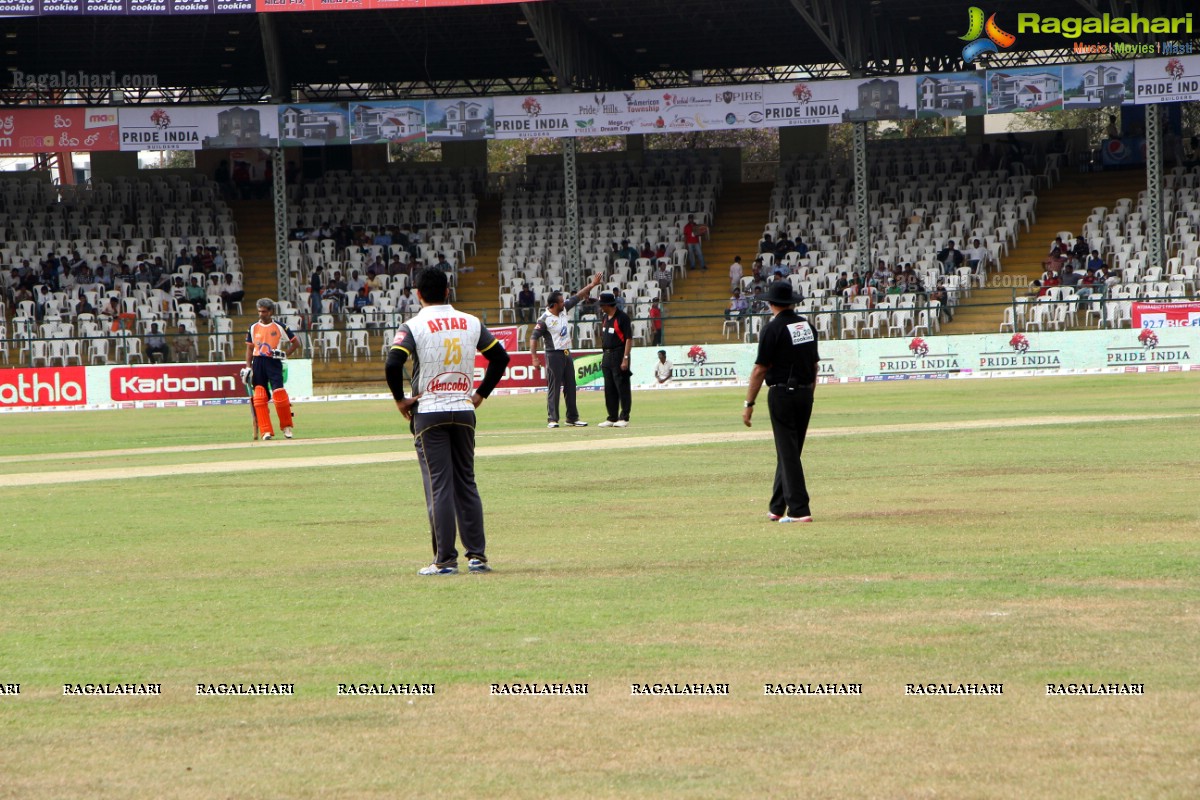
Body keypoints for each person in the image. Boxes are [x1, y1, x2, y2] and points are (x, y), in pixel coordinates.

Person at [384, 268, 510, 576]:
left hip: (429, 411)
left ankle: (445, 560)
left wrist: (400, 399)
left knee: (439, 486)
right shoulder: (472, 322)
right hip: (464, 409)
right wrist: (480, 394)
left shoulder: (413, 326)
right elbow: (500, 358)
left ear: (418, 294)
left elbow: (393, 361)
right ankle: (478, 557)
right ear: (448, 292)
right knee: (466, 482)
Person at [741, 281, 820, 524]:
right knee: (789, 452)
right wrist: (809, 393)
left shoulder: (772, 329)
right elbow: (815, 365)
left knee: (788, 452)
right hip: (805, 393)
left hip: (782, 393)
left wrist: (749, 403)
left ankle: (799, 510)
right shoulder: (807, 326)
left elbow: (759, 369)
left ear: (771, 303)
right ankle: (777, 506)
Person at [529, 272, 603, 429]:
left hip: (567, 353)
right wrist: (534, 358)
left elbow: (578, 296)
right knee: (554, 388)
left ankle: (572, 418)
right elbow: (533, 338)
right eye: (561, 302)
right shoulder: (544, 319)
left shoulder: (562, 310)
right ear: (554, 305)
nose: (564, 303)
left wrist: (592, 285)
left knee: (571, 385)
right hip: (553, 354)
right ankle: (552, 419)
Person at [243, 298, 301, 441]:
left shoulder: (280, 326)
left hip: (274, 362)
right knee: (260, 397)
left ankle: (286, 427)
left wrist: (284, 354)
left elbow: (296, 343)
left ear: (270, 312)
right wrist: (248, 367)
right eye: (259, 311)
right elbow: (250, 348)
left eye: (264, 311)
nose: (261, 314)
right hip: (258, 362)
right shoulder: (253, 327)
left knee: (279, 395)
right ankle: (265, 431)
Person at [597, 290, 633, 428]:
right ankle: (612, 417)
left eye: (602, 304)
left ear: (608, 304)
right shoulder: (605, 318)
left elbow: (628, 339)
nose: (601, 307)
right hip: (606, 355)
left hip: (619, 354)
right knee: (609, 388)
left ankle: (624, 417)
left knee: (622, 386)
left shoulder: (622, 317)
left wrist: (625, 358)